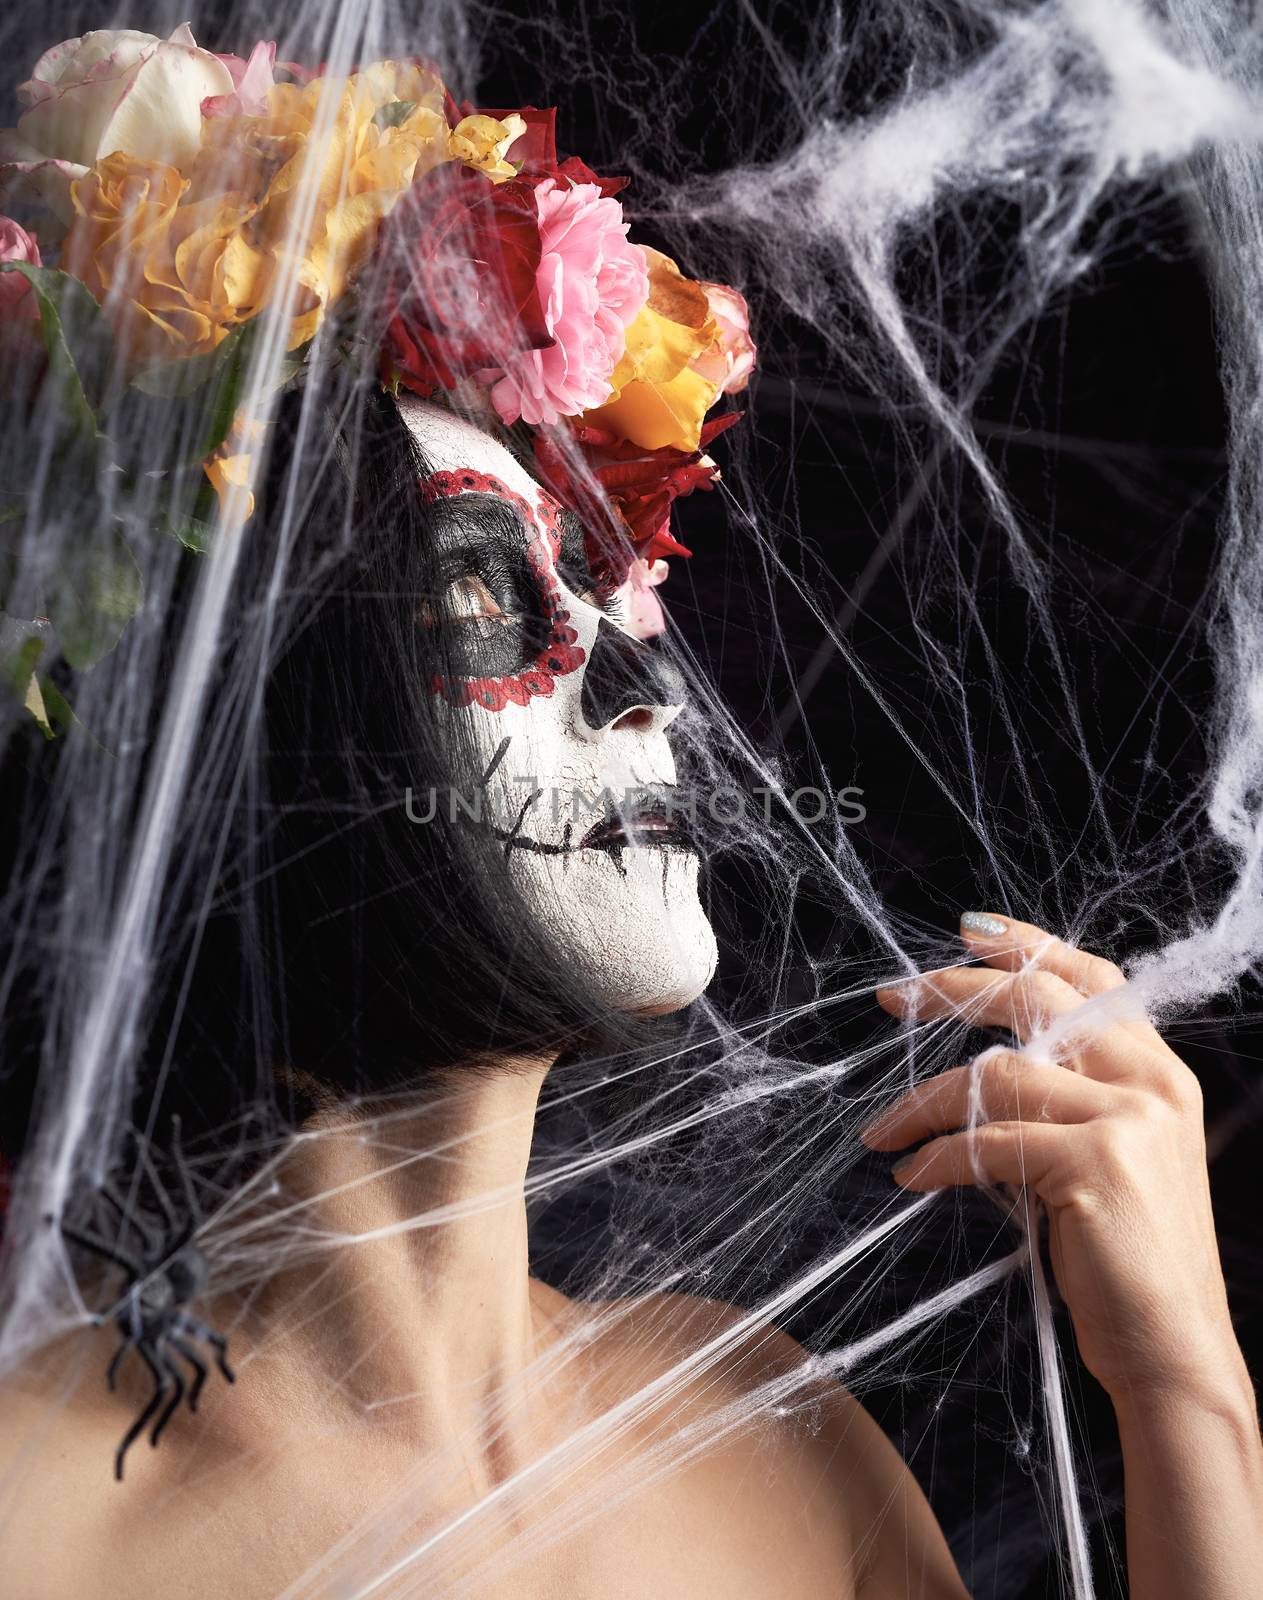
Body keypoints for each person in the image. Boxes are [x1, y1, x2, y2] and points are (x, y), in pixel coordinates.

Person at [0, 28, 1259, 1600]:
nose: (639, 689)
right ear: (256, 726)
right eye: (480, 591)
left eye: (605, 586)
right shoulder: (42, 1521)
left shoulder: (766, 1431)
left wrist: (1188, 1395)